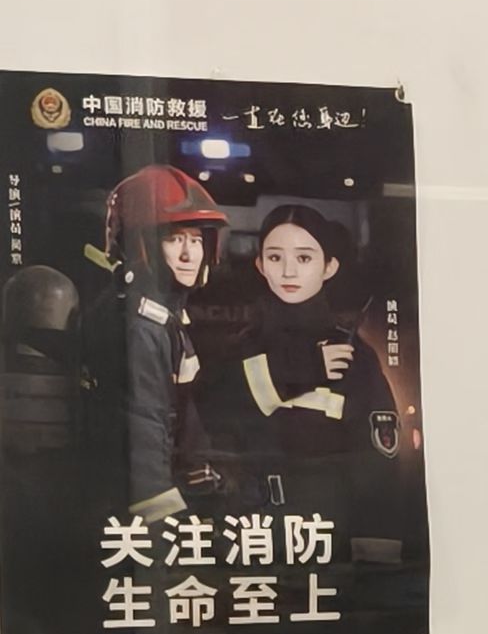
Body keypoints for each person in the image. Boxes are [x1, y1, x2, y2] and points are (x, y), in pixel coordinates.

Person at [218, 203, 399, 468]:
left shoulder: (354, 355)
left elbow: (379, 461)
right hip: (252, 495)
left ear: (329, 267)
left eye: (304, 258)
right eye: (275, 258)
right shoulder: (239, 348)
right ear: (260, 265)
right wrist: (304, 366)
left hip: (329, 494)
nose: (288, 272)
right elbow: (215, 423)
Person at [96, 162, 227, 518]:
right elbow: (144, 426)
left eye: (196, 240)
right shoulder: (142, 327)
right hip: (136, 505)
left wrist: (199, 471)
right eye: (174, 239)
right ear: (142, 245)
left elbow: (181, 411)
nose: (189, 254)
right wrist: (162, 521)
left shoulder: (165, 317)